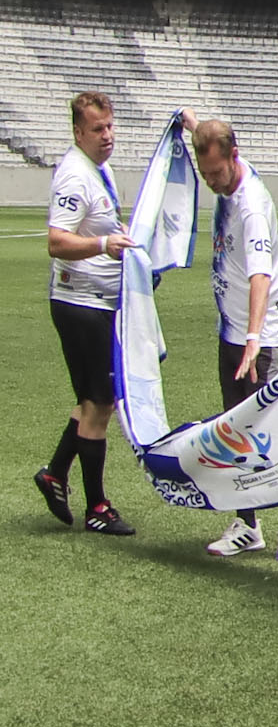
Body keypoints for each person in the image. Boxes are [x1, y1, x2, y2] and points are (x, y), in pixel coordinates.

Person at [189, 115, 278, 567]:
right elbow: (210, 135)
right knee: (233, 429)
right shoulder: (229, 168)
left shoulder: (251, 207)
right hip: (233, 329)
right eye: (206, 175)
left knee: (270, 430)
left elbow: (260, 275)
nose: (212, 181)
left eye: (216, 173)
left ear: (233, 158)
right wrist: (191, 124)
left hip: (263, 335)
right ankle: (248, 524)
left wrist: (255, 339)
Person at [37, 89, 133, 536]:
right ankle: (98, 506)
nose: (107, 135)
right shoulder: (75, 175)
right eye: (98, 128)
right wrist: (102, 245)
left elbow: (102, 225)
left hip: (90, 302)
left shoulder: (97, 167)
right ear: (79, 132)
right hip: (83, 305)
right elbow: (57, 241)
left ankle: (55, 473)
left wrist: (119, 236)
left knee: (90, 402)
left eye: (110, 126)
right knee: (101, 404)